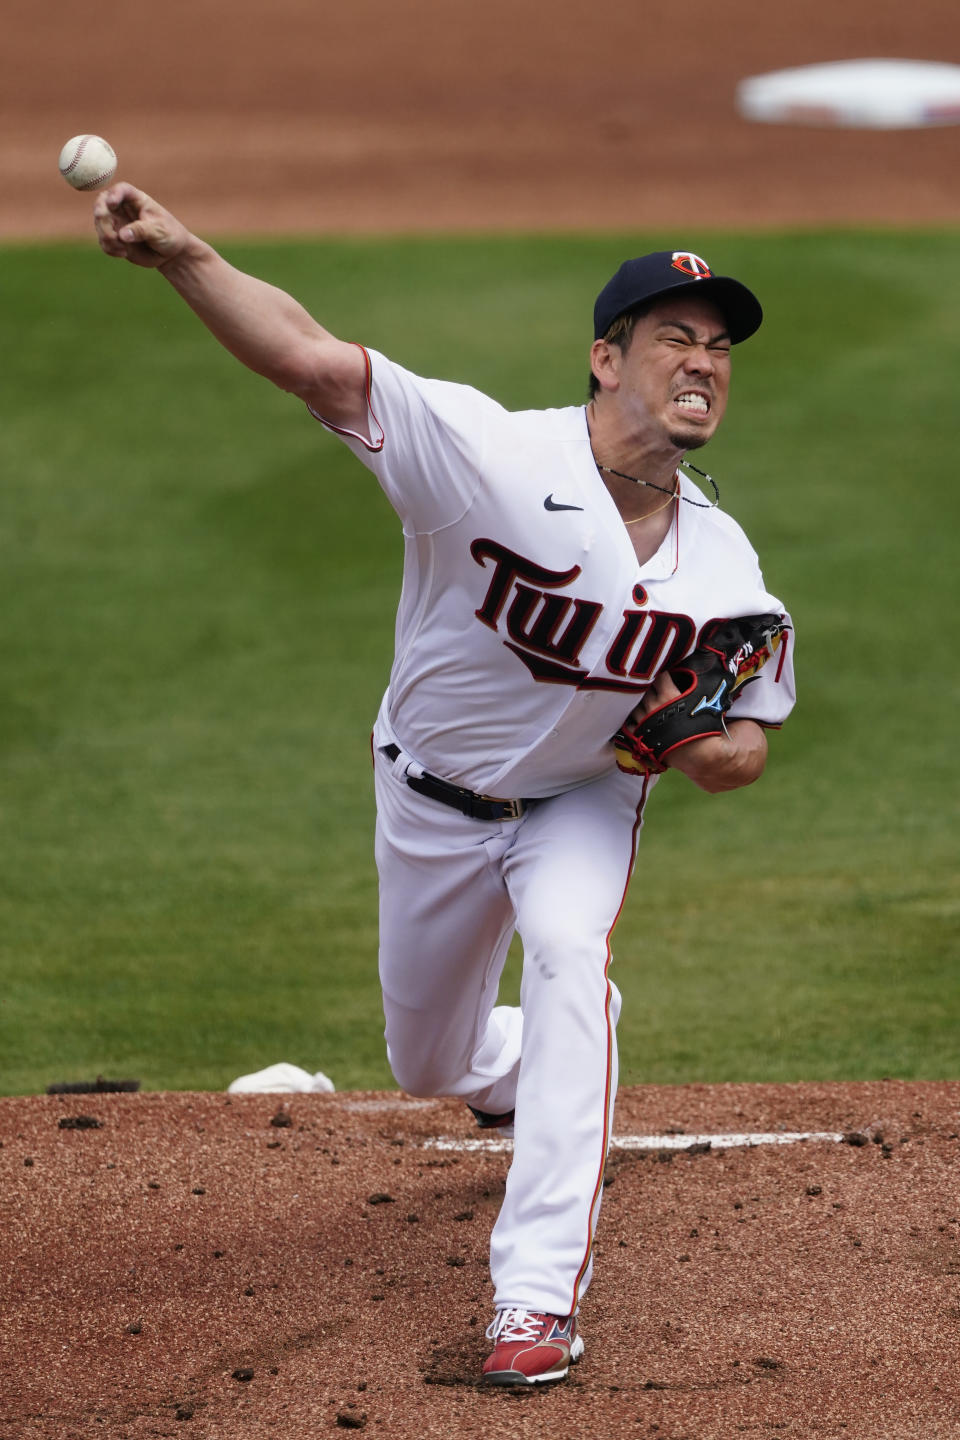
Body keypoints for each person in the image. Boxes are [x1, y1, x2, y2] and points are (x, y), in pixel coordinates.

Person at [93, 187, 796, 1386]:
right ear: (604, 357)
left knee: (572, 951)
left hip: (578, 803)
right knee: (429, 1061)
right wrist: (183, 253)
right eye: (675, 336)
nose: (703, 362)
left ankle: (535, 1303)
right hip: (430, 793)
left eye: (720, 346)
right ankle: (521, 1068)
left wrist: (695, 738)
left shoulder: (724, 565)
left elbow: (745, 752)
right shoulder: (488, 454)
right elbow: (315, 363)